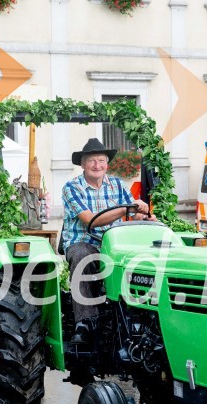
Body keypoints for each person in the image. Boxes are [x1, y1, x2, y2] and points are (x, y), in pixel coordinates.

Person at [62, 138, 153, 343]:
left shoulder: (118, 185)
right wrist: (126, 209)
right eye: (92, 161)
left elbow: (132, 215)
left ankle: (139, 317)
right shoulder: (72, 187)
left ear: (107, 164)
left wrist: (144, 214)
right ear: (83, 164)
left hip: (116, 244)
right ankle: (85, 323)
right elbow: (90, 221)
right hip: (84, 241)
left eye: (101, 160)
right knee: (83, 256)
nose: (97, 165)